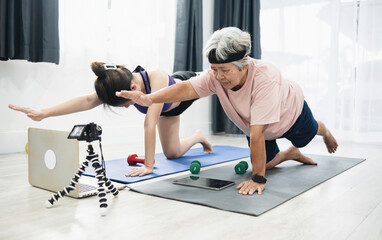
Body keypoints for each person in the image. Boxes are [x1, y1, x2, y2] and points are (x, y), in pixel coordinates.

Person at [116, 27, 338, 196]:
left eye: (224, 70)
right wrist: (149, 98)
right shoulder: (215, 77)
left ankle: (325, 130)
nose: (218, 76)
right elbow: (185, 88)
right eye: (214, 69)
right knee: (266, 164)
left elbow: (258, 133)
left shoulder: (265, 78)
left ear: (244, 64)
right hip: (256, 125)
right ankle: (289, 154)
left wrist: (258, 180)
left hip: (290, 115)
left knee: (308, 134)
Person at [9, 62, 213, 177]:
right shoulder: (119, 85)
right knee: (173, 153)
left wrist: (149, 165)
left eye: (125, 103)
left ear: (133, 89)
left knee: (219, 83)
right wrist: (44, 113)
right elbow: (88, 100)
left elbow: (150, 122)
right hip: (169, 111)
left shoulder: (157, 77)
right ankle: (198, 136)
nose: (126, 106)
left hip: (188, 89)